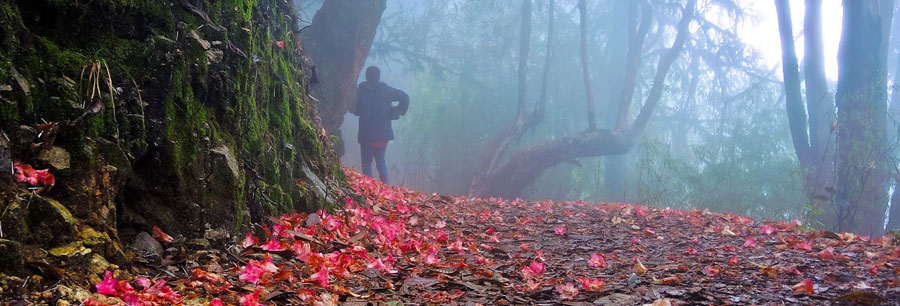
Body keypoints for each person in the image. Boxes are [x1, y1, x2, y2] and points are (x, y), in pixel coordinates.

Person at [351, 66, 409, 184]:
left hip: (367, 135)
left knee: (366, 163)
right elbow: (405, 97)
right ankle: (386, 187)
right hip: (383, 136)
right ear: (379, 76)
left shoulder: (362, 90)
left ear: (366, 77)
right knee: (381, 162)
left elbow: (356, 110)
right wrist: (398, 110)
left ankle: (369, 187)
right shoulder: (386, 90)